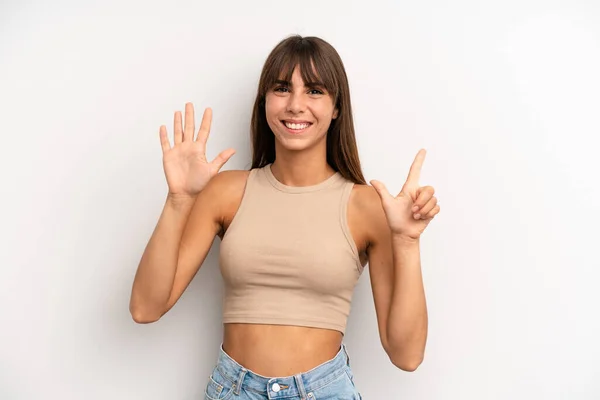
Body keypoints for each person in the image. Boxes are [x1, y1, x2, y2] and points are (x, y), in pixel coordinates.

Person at [129, 35, 440, 400]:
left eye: (314, 91)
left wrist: (406, 241)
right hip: (234, 391)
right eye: (281, 88)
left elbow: (407, 356)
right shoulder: (227, 192)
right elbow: (145, 308)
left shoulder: (367, 206)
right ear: (264, 101)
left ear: (337, 106)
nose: (295, 105)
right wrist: (179, 199)